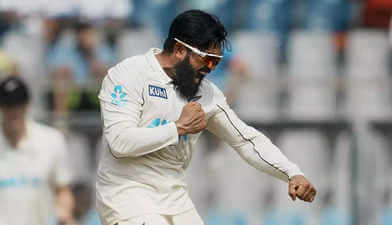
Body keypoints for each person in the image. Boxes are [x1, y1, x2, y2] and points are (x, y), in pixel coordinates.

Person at [96, 9, 317, 225]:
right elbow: (120, 143)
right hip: (127, 194)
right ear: (180, 49)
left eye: (217, 62)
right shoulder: (129, 74)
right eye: (207, 60)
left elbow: (245, 139)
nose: (211, 69)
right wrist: (178, 128)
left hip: (175, 198)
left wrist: (291, 172)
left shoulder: (207, 93)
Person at [0, 76, 75, 225]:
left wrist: (64, 213)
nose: (13, 111)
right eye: (7, 105)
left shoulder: (51, 140)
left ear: (27, 105)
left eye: (18, 104)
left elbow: (63, 190)